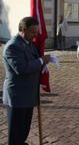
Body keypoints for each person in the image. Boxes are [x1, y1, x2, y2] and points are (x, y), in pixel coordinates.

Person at [2, 16, 51, 145]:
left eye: (36, 32)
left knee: (24, 129)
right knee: (16, 133)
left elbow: (34, 60)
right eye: (33, 32)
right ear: (23, 30)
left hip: (28, 95)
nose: (35, 35)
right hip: (17, 96)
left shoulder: (29, 43)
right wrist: (41, 61)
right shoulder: (12, 46)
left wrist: (43, 62)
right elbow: (22, 68)